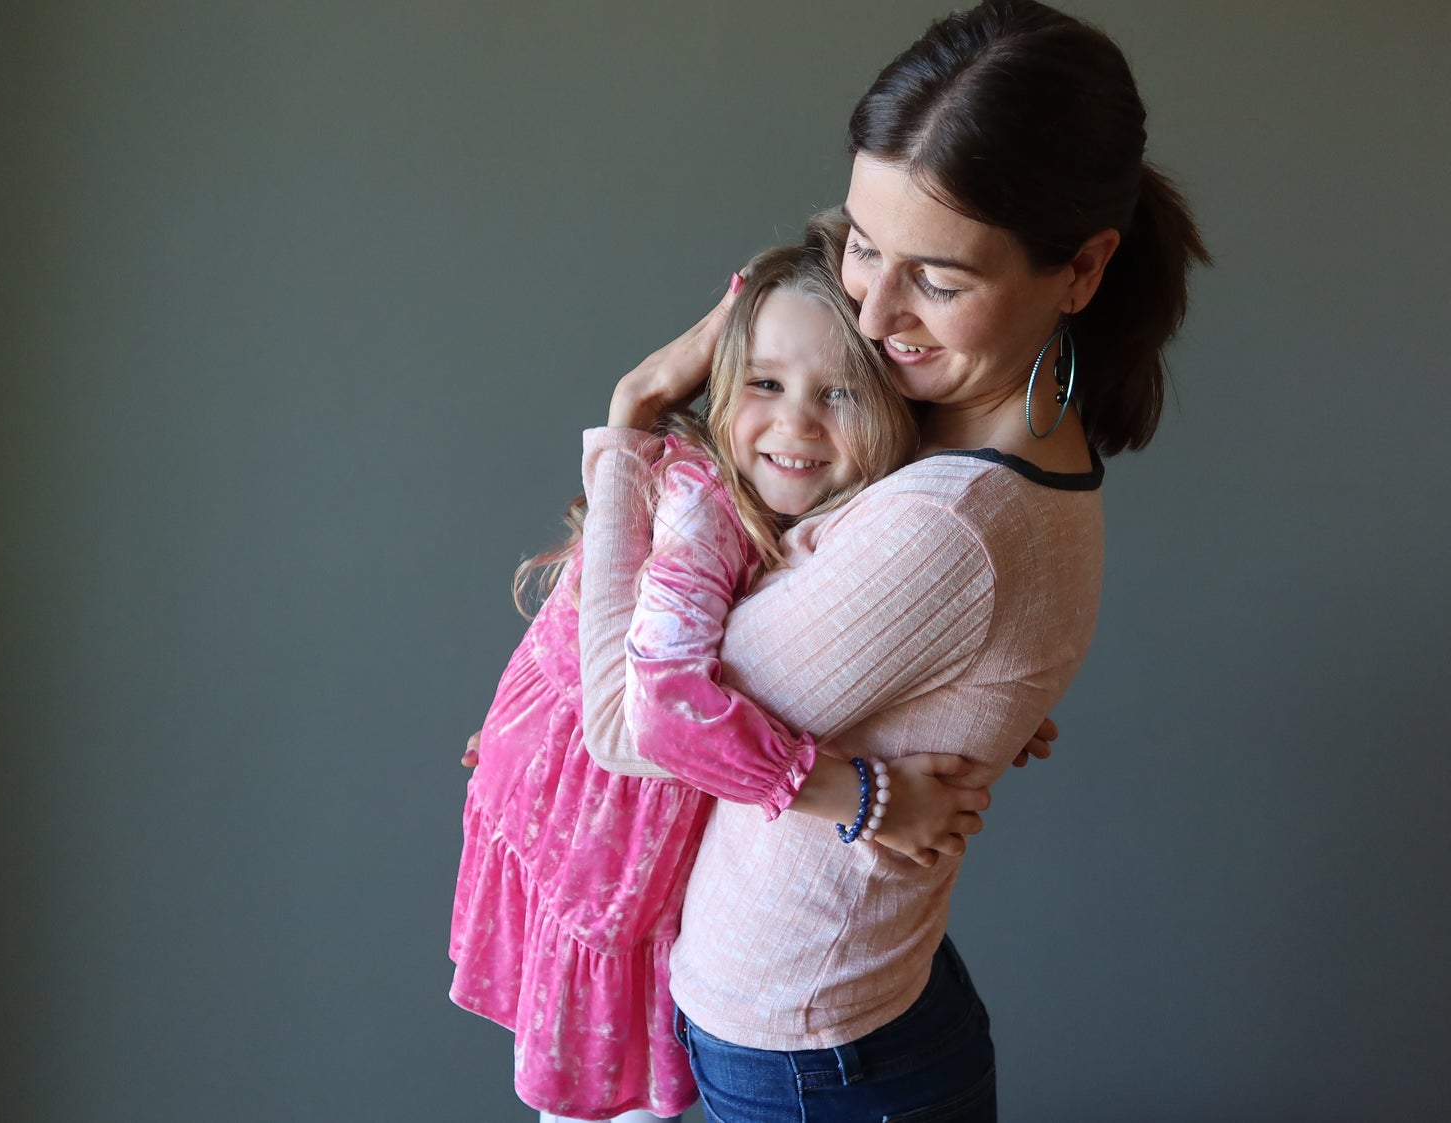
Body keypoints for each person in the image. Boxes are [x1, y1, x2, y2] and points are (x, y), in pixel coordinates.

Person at [572, 3, 1211, 1119]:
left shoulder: (950, 525)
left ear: (1081, 268)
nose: (868, 311)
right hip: (842, 1030)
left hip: (812, 1064)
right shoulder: (942, 431)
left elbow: (630, 724)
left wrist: (629, 425)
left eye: (937, 280)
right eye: (862, 246)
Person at [451, 223, 988, 1122]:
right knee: (612, 1108)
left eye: (839, 392)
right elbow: (659, 709)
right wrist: (867, 798)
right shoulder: (707, 500)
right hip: (602, 813)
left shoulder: (841, 512)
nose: (793, 424)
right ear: (725, 382)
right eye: (766, 385)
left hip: (597, 776)